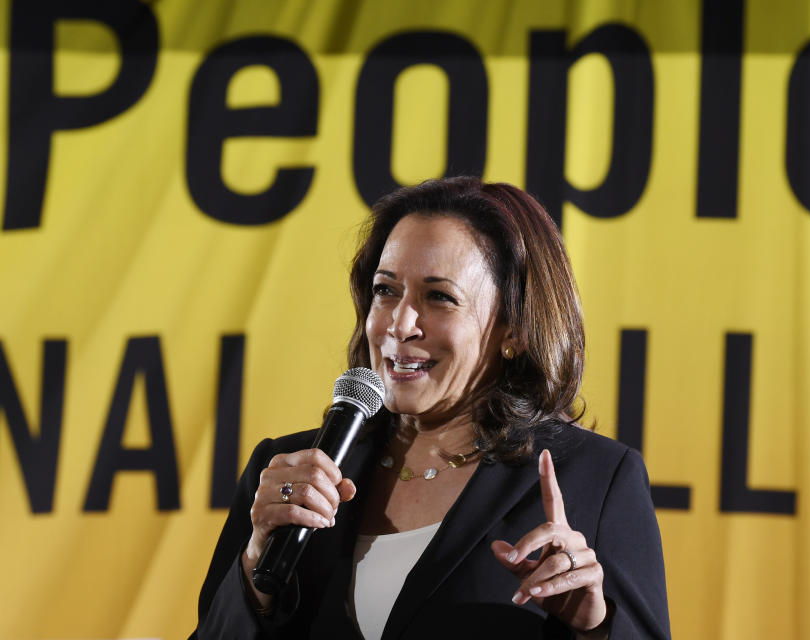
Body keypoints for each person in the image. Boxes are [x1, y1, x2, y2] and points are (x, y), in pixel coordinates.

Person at [191, 177, 671, 639]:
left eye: (439, 297)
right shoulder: (289, 474)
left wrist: (595, 628)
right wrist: (255, 567)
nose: (400, 323)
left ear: (515, 329)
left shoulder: (595, 480)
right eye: (386, 290)